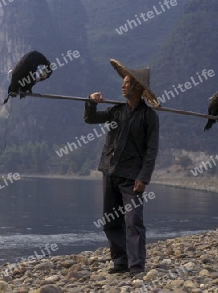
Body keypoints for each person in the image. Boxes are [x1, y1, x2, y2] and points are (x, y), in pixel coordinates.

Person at [83, 59, 160, 277]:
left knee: (133, 220)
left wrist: (144, 178)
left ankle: (136, 266)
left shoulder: (149, 117)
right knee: (110, 220)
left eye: (127, 83)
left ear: (137, 87)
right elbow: (91, 119)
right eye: (124, 82)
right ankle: (120, 261)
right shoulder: (117, 111)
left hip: (132, 177)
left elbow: (151, 150)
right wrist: (91, 101)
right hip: (110, 171)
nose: (123, 86)